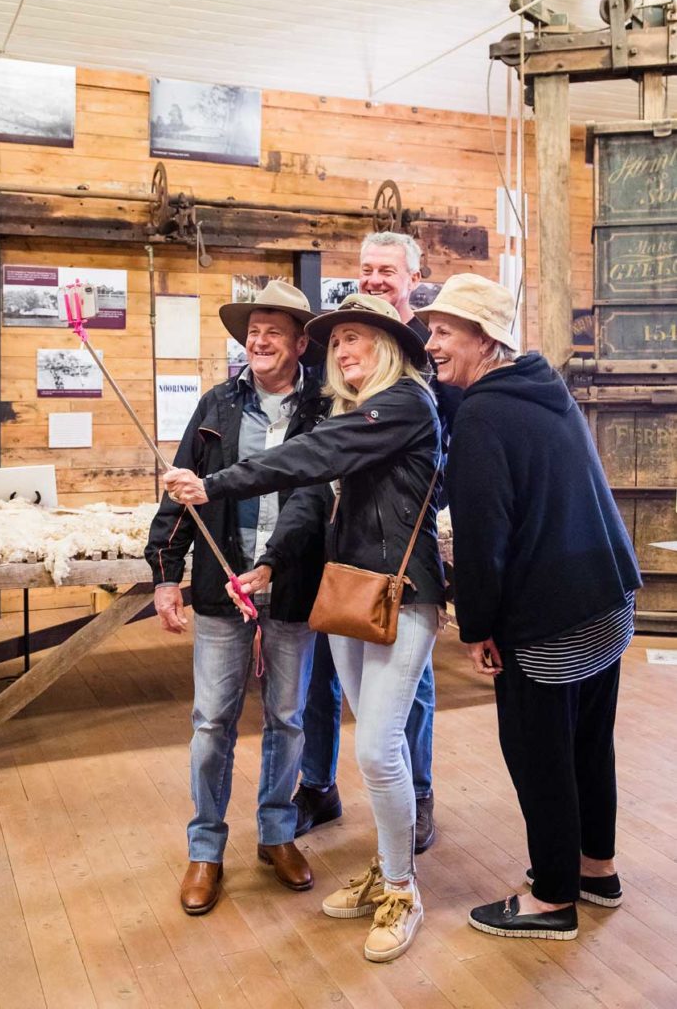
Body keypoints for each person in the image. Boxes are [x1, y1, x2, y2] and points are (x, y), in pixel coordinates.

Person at [164, 292, 446, 963]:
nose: (345, 352)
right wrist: (268, 563)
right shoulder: (352, 411)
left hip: (401, 596)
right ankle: (385, 865)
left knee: (378, 750)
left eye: (359, 340)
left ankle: (402, 888)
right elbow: (314, 493)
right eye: (338, 342)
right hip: (345, 591)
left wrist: (218, 483)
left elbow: (314, 456)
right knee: (368, 751)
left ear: (393, 349)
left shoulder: (405, 404)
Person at [420, 273, 641, 940]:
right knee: (586, 746)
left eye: (443, 331)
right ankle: (594, 871)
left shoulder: (485, 412)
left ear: (484, 338)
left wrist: (476, 627)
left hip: (548, 619)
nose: (430, 343)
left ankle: (550, 899)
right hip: (605, 598)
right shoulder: (545, 389)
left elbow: (484, 534)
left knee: (538, 757)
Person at [145, 281, 329, 915]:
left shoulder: (323, 411)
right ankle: (206, 849)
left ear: (302, 342)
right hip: (222, 592)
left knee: (288, 717)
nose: (259, 339)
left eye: (274, 329)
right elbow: (181, 494)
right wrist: (165, 574)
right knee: (211, 722)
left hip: (294, 585)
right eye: (253, 329)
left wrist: (277, 564)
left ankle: (277, 833)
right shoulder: (218, 406)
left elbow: (317, 495)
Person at [294, 231, 462, 854]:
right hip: (345, 549)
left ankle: (415, 797)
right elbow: (325, 445)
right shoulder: (350, 352)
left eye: (386, 270)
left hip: (404, 549)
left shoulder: (427, 360)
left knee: (405, 693)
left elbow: (450, 452)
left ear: (413, 277)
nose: (374, 278)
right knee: (330, 681)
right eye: (366, 269)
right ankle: (321, 786)